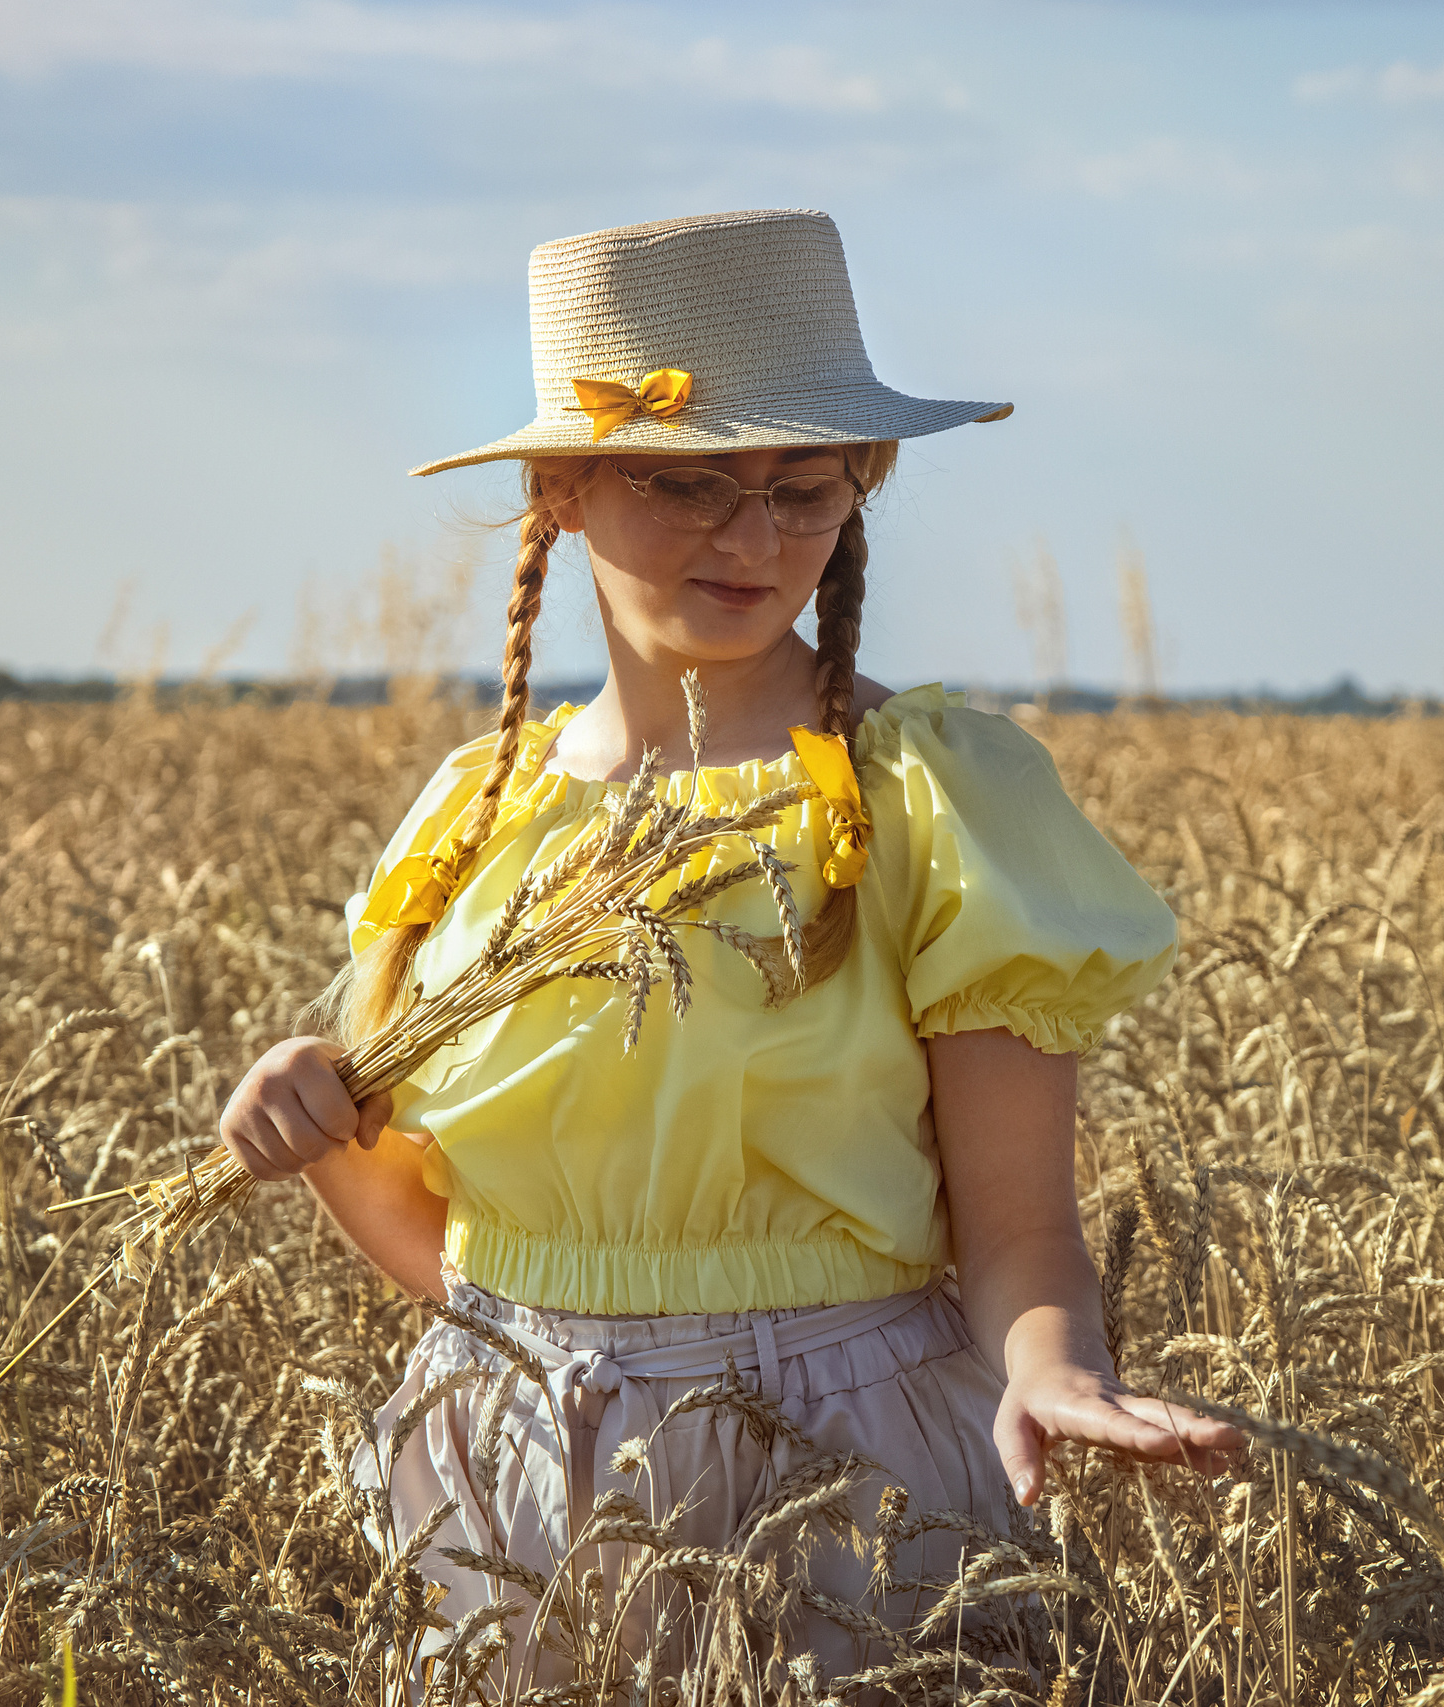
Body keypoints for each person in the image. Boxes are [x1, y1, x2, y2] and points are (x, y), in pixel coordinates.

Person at [217, 208, 1240, 1696]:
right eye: (689, 487)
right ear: (563, 491)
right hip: (522, 1467)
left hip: (849, 1472)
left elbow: (1023, 1233)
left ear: (862, 486)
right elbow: (459, 1257)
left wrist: (1055, 1372)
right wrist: (310, 1121)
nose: (756, 541)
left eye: (802, 490)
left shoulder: (927, 794)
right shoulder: (473, 817)